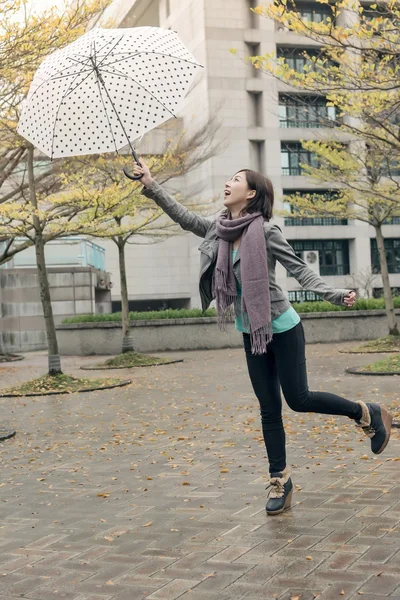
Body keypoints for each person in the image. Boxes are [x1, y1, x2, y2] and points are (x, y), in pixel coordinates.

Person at [132, 159, 393, 516]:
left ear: (251, 193)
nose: (227, 183)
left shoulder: (266, 232)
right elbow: (184, 217)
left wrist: (332, 293)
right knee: (269, 408)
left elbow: (298, 269)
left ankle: (365, 412)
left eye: (235, 180)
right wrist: (151, 183)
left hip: (283, 327)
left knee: (298, 399)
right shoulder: (218, 230)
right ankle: (280, 481)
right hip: (250, 332)